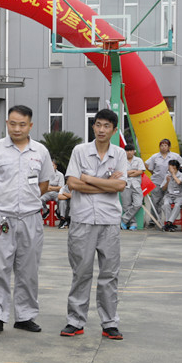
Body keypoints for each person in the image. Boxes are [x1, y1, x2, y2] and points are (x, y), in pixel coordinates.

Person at [0, 105, 53, 336]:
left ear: (30, 126)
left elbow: (44, 183)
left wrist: (27, 200)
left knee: (28, 269)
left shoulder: (40, 151)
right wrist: (1, 202)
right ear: (6, 123)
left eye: (22, 124)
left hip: (31, 218)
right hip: (2, 218)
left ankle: (25, 316)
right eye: (13, 123)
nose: (17, 129)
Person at [61, 109, 127, 341]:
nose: (101, 130)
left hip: (109, 221)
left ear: (114, 130)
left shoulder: (119, 154)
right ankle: (75, 321)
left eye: (106, 126)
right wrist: (105, 184)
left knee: (109, 274)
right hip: (83, 219)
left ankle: (109, 323)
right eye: (98, 124)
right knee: (81, 272)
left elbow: (120, 186)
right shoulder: (80, 151)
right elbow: (72, 183)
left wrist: (88, 179)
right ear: (93, 127)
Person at [144, 139, 182, 227]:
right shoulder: (155, 157)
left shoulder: (175, 156)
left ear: (169, 147)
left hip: (171, 183)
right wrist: (153, 173)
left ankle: (169, 221)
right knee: (156, 201)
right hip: (157, 181)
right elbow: (147, 164)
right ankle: (154, 220)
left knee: (168, 202)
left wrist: (178, 175)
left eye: (165, 145)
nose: (163, 147)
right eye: (161, 145)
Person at [120, 146, 145, 230]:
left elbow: (140, 171)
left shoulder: (138, 160)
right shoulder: (121, 160)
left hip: (136, 185)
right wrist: (133, 171)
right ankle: (133, 224)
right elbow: (121, 173)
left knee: (138, 204)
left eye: (131, 150)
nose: (129, 152)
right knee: (126, 205)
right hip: (125, 185)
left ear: (134, 151)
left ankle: (123, 220)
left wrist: (127, 173)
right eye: (127, 151)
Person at [160, 160, 182, 232]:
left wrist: (173, 175)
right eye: (169, 167)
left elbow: (179, 182)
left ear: (176, 168)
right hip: (169, 195)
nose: (171, 169)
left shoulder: (181, 175)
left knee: (177, 205)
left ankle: (169, 223)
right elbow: (163, 189)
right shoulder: (167, 176)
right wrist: (167, 182)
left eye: (172, 168)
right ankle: (170, 224)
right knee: (165, 204)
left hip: (180, 195)